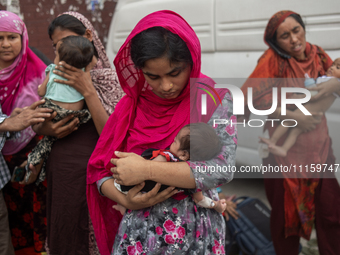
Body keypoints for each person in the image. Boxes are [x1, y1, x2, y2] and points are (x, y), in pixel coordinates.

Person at [87, 10, 237, 255]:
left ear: (192, 61)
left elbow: (221, 167)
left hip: (195, 235)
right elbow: (99, 170)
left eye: (175, 73)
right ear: (140, 71)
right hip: (139, 235)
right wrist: (125, 199)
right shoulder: (131, 105)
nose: (165, 86)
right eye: (153, 77)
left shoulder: (213, 99)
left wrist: (147, 169)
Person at [240, 10, 340, 255]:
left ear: (304, 28)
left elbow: (336, 81)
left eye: (296, 30)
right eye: (285, 35)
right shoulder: (272, 60)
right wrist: (294, 116)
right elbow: (247, 99)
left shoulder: (318, 55)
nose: (294, 39)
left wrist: (335, 83)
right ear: (276, 41)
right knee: (286, 222)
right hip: (282, 155)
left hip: (318, 150)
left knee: (332, 213)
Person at [31, 12, 124, 255]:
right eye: (56, 46)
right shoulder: (56, 74)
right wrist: (46, 128)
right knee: (67, 231)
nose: (64, 51)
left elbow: (112, 136)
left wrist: (87, 89)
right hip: (63, 171)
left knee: (95, 236)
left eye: (69, 42)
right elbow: (38, 116)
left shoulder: (109, 80)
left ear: (89, 36)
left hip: (99, 176)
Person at [0, 10, 52, 253]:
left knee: (39, 209)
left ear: (23, 38)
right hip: (2, 161)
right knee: (12, 215)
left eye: (11, 37)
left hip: (35, 151)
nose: (5, 44)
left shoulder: (38, 66)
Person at [114, 123, 227, 215]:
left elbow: (142, 172)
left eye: (175, 141)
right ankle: (123, 205)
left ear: (183, 155)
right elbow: (200, 200)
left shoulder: (166, 157)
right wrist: (215, 205)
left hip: (134, 188)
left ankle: (123, 205)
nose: (172, 140)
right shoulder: (196, 178)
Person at [27, 36, 94, 177]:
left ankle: (36, 160)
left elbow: (40, 91)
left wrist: (42, 87)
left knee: (37, 114)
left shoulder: (52, 70)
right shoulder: (83, 74)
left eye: (57, 54)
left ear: (61, 60)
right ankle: (38, 160)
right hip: (77, 116)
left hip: (53, 112)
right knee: (50, 139)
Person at [259, 58, 340, 157]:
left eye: (337, 67)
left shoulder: (330, 82)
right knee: (295, 132)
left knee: (287, 122)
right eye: (332, 65)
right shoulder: (331, 82)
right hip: (314, 114)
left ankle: (272, 141)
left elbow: (314, 95)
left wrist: (298, 97)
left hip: (307, 110)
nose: (331, 68)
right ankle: (284, 149)